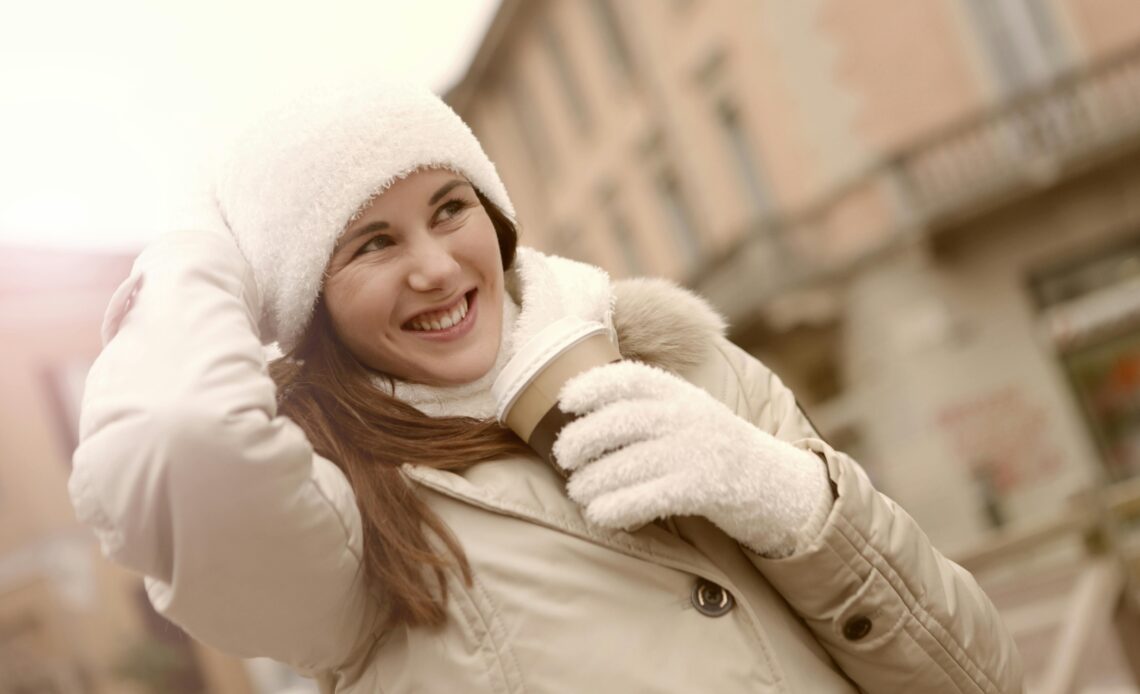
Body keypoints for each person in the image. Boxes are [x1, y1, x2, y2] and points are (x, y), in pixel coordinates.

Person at [69, 83, 1023, 693]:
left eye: (450, 209)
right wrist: (196, 253)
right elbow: (175, 440)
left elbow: (977, 676)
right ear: (306, 303)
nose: (438, 267)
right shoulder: (336, 509)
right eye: (371, 244)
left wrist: (789, 503)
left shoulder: (681, 364)